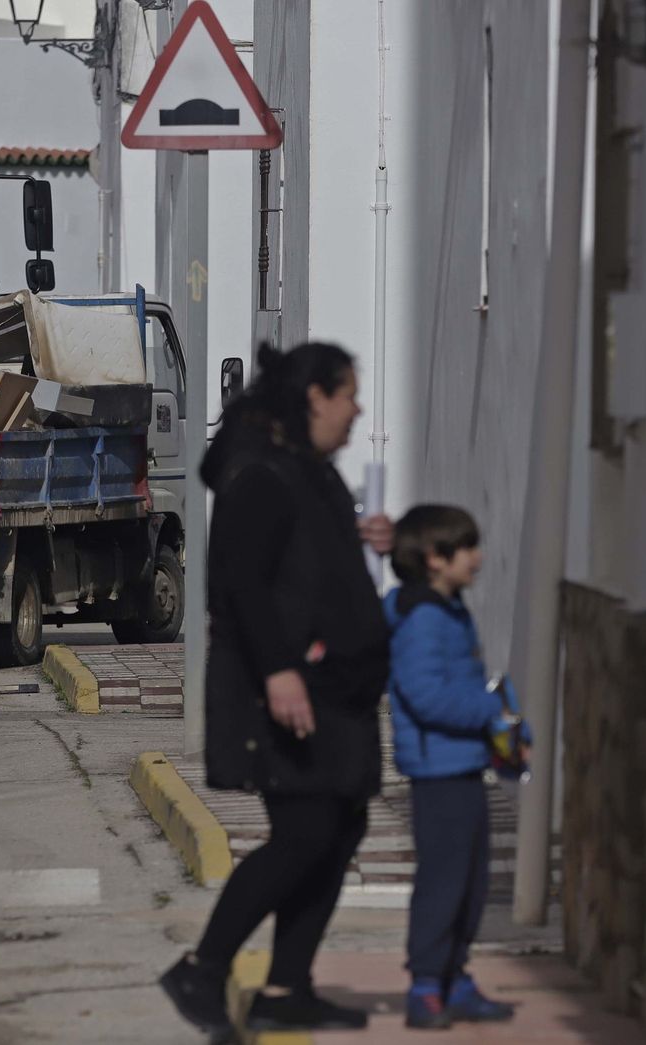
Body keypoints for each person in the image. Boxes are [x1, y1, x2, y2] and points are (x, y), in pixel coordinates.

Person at [159, 341, 395, 1037]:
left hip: (332, 684)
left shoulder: (302, 469)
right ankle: (203, 967)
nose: (358, 411)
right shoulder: (262, 472)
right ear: (315, 396)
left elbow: (297, 555)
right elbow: (243, 581)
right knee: (306, 830)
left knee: (339, 823)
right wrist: (280, 671)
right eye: (349, 394)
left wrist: (359, 534)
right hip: (286, 688)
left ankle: (287, 984)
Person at [383, 504, 529, 1030]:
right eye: (466, 548)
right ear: (434, 559)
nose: (478, 557)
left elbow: (466, 685)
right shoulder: (422, 618)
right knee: (445, 880)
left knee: (471, 880)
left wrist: (508, 727)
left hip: (462, 764)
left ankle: (455, 979)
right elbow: (427, 696)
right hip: (437, 771)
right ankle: (426, 988)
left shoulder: (450, 609)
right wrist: (493, 713)